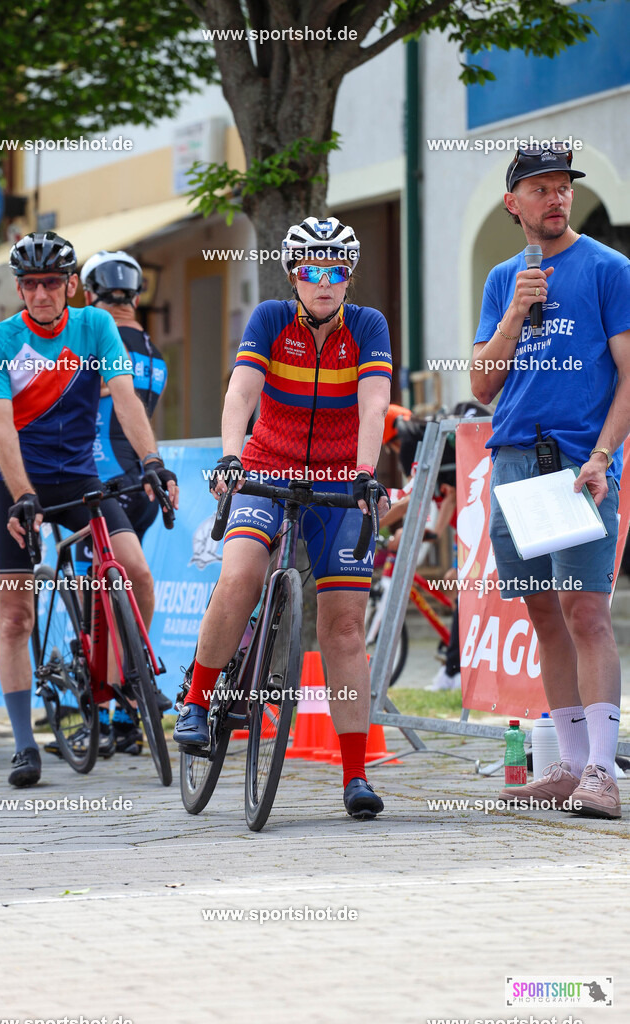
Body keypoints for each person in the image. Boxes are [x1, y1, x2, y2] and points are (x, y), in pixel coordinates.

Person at [173, 216, 392, 819]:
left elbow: (374, 405)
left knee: (344, 628)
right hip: (266, 467)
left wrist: (365, 473)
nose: (325, 281)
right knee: (242, 574)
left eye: (336, 270)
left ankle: (355, 775)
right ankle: (197, 700)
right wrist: (230, 457)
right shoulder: (270, 319)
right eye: (312, 270)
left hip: (340, 479)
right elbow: (242, 393)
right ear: (295, 275)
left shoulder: (367, 326)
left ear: (348, 278)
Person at [0, 231, 178, 788]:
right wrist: (23, 495)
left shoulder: (95, 326)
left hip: (82, 476)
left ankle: (124, 676)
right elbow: (3, 430)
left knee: (135, 572)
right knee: (15, 616)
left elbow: (126, 398)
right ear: (19, 288)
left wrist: (153, 462)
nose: (40, 294)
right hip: (15, 483)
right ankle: (24, 745)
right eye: (30, 284)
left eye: (51, 283)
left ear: (70, 284)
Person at [470, 142, 630, 819]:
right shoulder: (502, 279)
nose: (556, 198)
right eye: (540, 188)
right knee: (542, 612)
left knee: (586, 611)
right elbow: (482, 386)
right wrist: (513, 313)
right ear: (513, 203)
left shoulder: (609, 269)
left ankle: (602, 771)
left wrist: (602, 455)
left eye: (563, 186)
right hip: (514, 463)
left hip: (576, 467)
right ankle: (567, 764)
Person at [78, 250, 168, 756]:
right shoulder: (154, 350)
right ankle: (125, 714)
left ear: (90, 293)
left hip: (99, 480)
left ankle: (106, 707)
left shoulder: (94, 341)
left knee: (98, 601)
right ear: (135, 294)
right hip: (143, 484)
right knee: (127, 596)